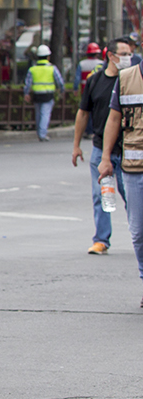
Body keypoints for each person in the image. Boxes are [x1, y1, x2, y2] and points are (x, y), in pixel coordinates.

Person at [74, 38, 132, 255]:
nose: (128, 58)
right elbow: (83, 113)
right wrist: (76, 145)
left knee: (132, 197)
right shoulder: (95, 81)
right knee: (102, 195)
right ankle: (101, 240)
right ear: (111, 55)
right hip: (101, 150)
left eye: (130, 54)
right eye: (123, 54)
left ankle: (140, 237)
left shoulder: (134, 79)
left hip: (129, 151)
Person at [97, 55, 143, 305]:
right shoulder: (126, 78)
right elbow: (113, 119)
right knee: (138, 232)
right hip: (134, 168)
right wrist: (105, 158)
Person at [24, 45, 64, 142]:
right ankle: (42, 134)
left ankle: (39, 132)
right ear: (48, 57)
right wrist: (61, 90)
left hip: (36, 94)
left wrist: (26, 93)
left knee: (38, 113)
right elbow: (60, 81)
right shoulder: (52, 68)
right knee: (45, 114)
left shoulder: (32, 69)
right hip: (48, 94)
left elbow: (27, 83)